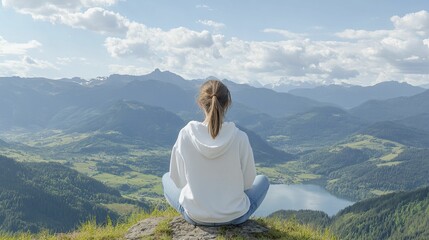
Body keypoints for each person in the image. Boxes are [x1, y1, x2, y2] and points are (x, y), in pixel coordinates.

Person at [162, 79, 269, 226]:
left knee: (166, 178)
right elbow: (248, 183)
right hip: (234, 216)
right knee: (263, 180)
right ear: (227, 103)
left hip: (195, 216)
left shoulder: (185, 134)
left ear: (200, 103)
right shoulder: (239, 137)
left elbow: (179, 181)